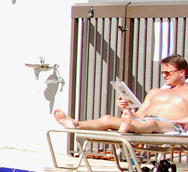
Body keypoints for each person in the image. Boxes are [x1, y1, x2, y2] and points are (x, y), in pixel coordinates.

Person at [54, 54, 188, 134]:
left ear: (181, 72)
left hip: (171, 125)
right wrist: (126, 108)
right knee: (107, 118)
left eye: (168, 72)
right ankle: (76, 124)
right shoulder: (155, 92)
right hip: (143, 122)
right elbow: (139, 115)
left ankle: (127, 126)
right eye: (162, 73)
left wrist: (181, 121)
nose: (164, 76)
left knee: (151, 122)